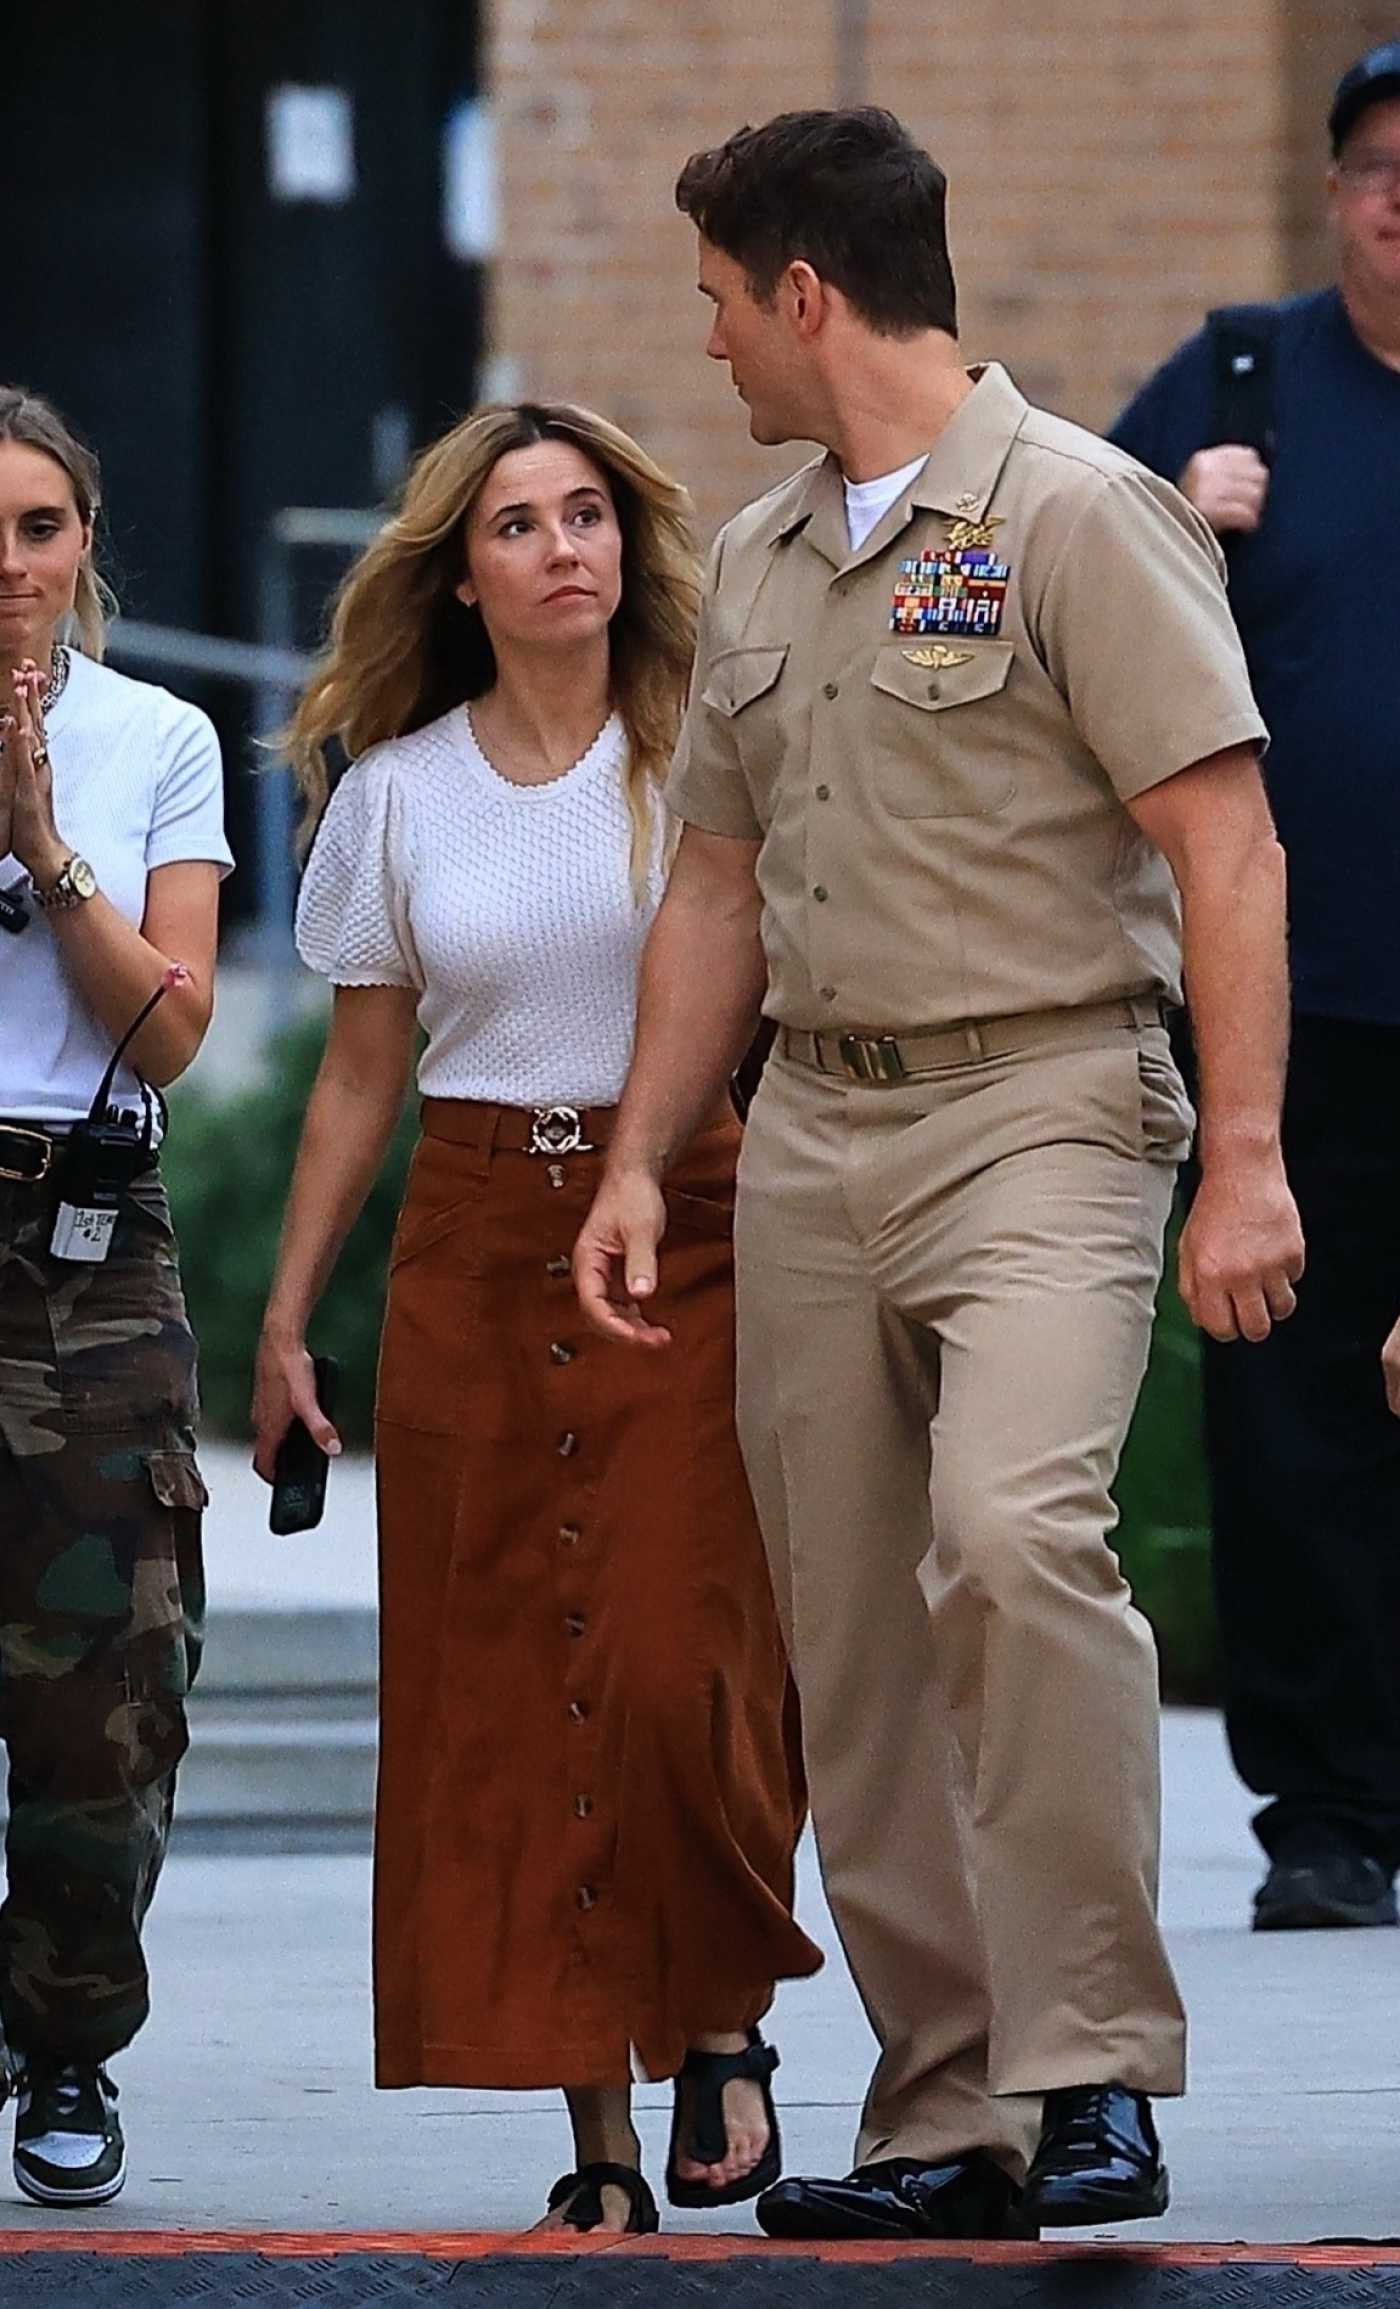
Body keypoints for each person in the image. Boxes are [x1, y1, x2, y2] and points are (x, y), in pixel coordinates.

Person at [575, 107, 1303, 2242]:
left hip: (1051, 1110)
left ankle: (1090, 2071)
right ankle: (947, 2113)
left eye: (718, 304)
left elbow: (1226, 849)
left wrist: (1242, 1158)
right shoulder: (768, 556)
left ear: (806, 292)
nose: (705, 346)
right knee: (856, 1641)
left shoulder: (1081, 513)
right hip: (813, 1131)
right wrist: (640, 1155)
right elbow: (711, 890)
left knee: (1011, 1539)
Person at [251, 400, 820, 2237]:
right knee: (510, 1689)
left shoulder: (703, 760)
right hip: (481, 1241)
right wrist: (284, 1322)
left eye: (590, 514)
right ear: (464, 570)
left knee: (681, 1654)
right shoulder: (396, 793)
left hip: (701, 1223)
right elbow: (358, 1080)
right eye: (520, 523)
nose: (564, 545)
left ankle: (723, 2022)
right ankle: (599, 2144)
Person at [1110, 42, 1400, 1936]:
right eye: (1380, 167)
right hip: (1293, 1009)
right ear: (1334, 190)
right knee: (1293, 1409)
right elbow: (1044, 592)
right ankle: (1328, 1813)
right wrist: (1168, 507)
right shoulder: (1236, 388)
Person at [0, 387, 229, 2204]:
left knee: (106, 1677)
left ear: (85, 549)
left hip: (78, 1228)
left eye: (39, 529)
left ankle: (66, 2044)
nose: (10, 569)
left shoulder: (156, 732)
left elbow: (168, 1026)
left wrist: (40, 840)